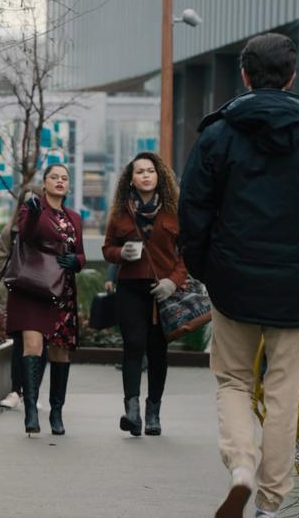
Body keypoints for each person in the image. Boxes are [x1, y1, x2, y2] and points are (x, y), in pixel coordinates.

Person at [177, 33, 299, 518]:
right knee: (282, 393)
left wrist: (203, 268)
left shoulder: (218, 135)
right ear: (292, 76)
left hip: (233, 282)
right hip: (298, 286)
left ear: (245, 75)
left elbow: (194, 208)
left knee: (232, 380)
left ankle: (241, 468)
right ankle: (271, 504)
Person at [102, 151, 187, 437]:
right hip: (130, 288)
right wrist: (120, 253)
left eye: (150, 170)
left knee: (158, 351)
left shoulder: (174, 210)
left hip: (163, 292)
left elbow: (186, 255)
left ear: (159, 175)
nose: (146, 175)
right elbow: (107, 249)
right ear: (131, 179)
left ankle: (153, 413)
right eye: (140, 171)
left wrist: (173, 282)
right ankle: (132, 412)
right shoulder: (120, 212)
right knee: (133, 345)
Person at [6, 164, 85, 436]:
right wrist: (33, 215)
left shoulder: (74, 217)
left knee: (60, 351)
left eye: (65, 178)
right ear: (44, 182)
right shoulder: (33, 209)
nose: (60, 181)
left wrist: (77, 260)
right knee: (32, 345)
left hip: (62, 291)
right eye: (55, 177)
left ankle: (56, 412)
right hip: (32, 289)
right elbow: (25, 235)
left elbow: (81, 254)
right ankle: (30, 410)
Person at [0, 185, 46, 410]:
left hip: (45, 293)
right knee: (18, 343)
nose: (31, 204)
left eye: (36, 200)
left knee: (42, 343)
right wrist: (11, 276)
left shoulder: (50, 228)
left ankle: (32, 393)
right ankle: (16, 390)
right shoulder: (11, 231)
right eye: (27, 201)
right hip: (19, 293)